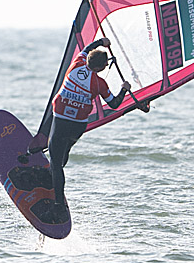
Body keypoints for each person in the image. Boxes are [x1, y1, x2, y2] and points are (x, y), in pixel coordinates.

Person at [32, 37, 131, 210]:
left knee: (55, 162)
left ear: (87, 59)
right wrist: (124, 89)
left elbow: (87, 47)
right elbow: (114, 104)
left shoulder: (76, 64)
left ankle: (58, 202)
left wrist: (101, 41)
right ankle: (53, 177)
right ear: (101, 69)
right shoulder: (100, 83)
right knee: (65, 151)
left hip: (62, 120)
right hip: (78, 125)